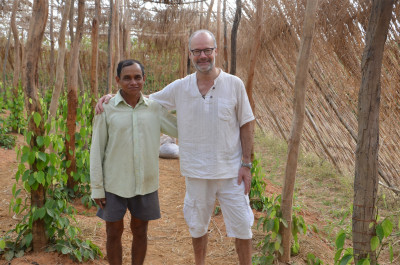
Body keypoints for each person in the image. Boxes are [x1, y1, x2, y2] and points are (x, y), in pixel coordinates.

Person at [96, 30, 254, 265]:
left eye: (207, 50)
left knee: (243, 226)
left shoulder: (234, 84)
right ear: (190, 54)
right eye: (197, 51)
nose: (203, 56)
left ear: (216, 51)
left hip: (232, 172)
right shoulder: (180, 87)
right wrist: (111, 97)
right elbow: (143, 98)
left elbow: (246, 123)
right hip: (196, 172)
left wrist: (246, 164)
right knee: (197, 226)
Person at [90, 59, 177, 265]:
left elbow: (180, 128)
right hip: (114, 183)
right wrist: (97, 188)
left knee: (140, 230)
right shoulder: (107, 109)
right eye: (127, 78)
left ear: (144, 79)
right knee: (113, 231)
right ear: (118, 80)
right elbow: (97, 150)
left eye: (137, 77)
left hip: (145, 183)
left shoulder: (154, 108)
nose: (133, 82)